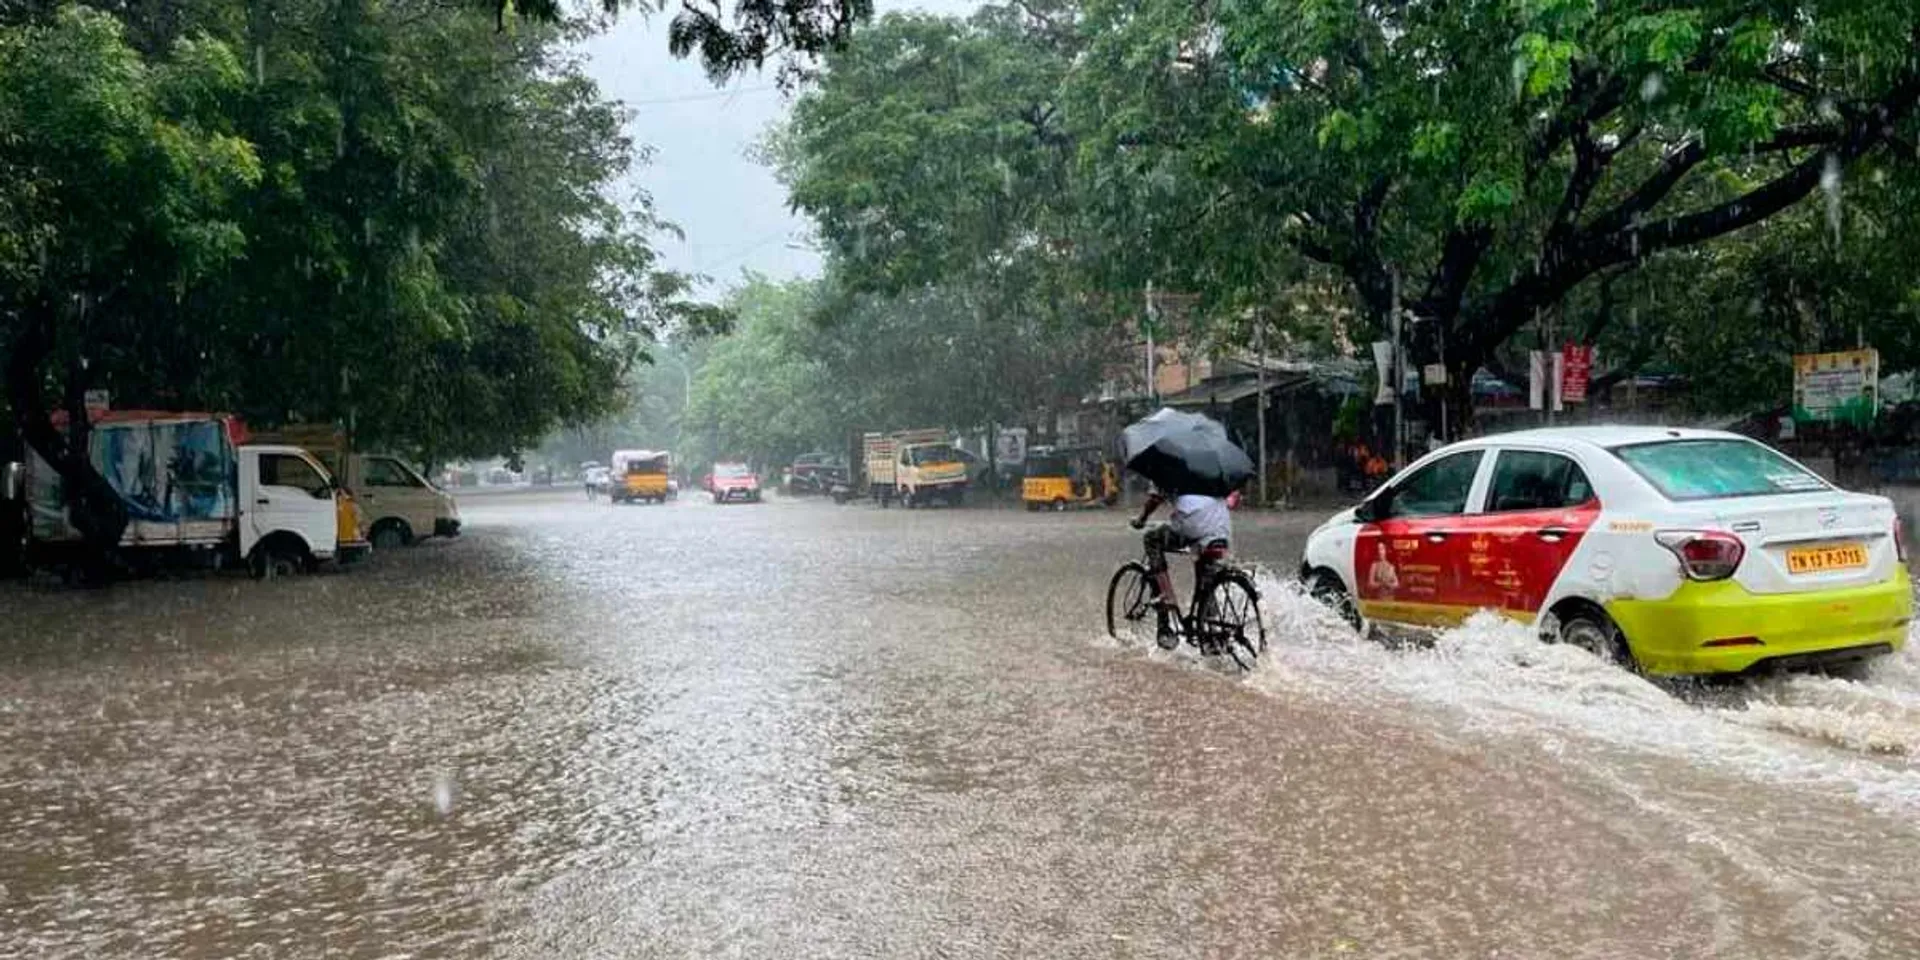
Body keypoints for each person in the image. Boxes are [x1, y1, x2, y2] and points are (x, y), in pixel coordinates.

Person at [1129, 483, 1234, 647]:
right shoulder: (1213, 470)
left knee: (1151, 539)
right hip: (1221, 528)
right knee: (1206, 577)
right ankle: (1210, 628)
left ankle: (1165, 605)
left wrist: (1141, 519)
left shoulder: (1170, 465)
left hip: (1191, 526)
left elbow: (1155, 499)